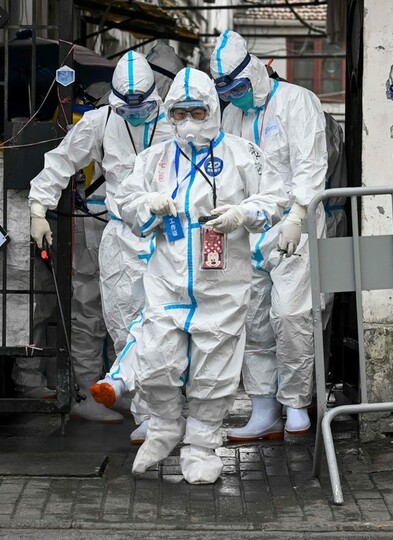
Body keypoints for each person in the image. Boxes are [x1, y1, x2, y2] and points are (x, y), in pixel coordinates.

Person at [116, 67, 287, 484]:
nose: (188, 121)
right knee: (156, 362)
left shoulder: (244, 154)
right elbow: (127, 202)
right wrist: (149, 205)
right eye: (179, 113)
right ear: (169, 114)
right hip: (167, 281)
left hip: (222, 284)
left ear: (213, 109)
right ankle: (164, 427)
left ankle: (202, 446)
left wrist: (243, 213)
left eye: (197, 111)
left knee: (214, 373)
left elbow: (276, 197)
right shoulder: (154, 159)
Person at [25, 48, 175, 429]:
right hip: (118, 235)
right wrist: (39, 209)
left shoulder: (173, 121)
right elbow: (61, 160)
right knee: (110, 319)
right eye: (127, 108)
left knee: (162, 321)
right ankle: (98, 393)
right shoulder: (102, 121)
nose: (135, 114)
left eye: (143, 107)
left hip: (165, 235)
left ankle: (148, 400)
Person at [209, 30, 329, 440]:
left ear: (255, 72)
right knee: (253, 319)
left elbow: (311, 163)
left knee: (292, 316)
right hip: (247, 226)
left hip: (294, 225)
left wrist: (298, 213)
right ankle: (263, 409)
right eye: (227, 92)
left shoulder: (297, 101)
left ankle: (295, 403)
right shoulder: (231, 115)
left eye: (239, 88)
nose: (235, 97)